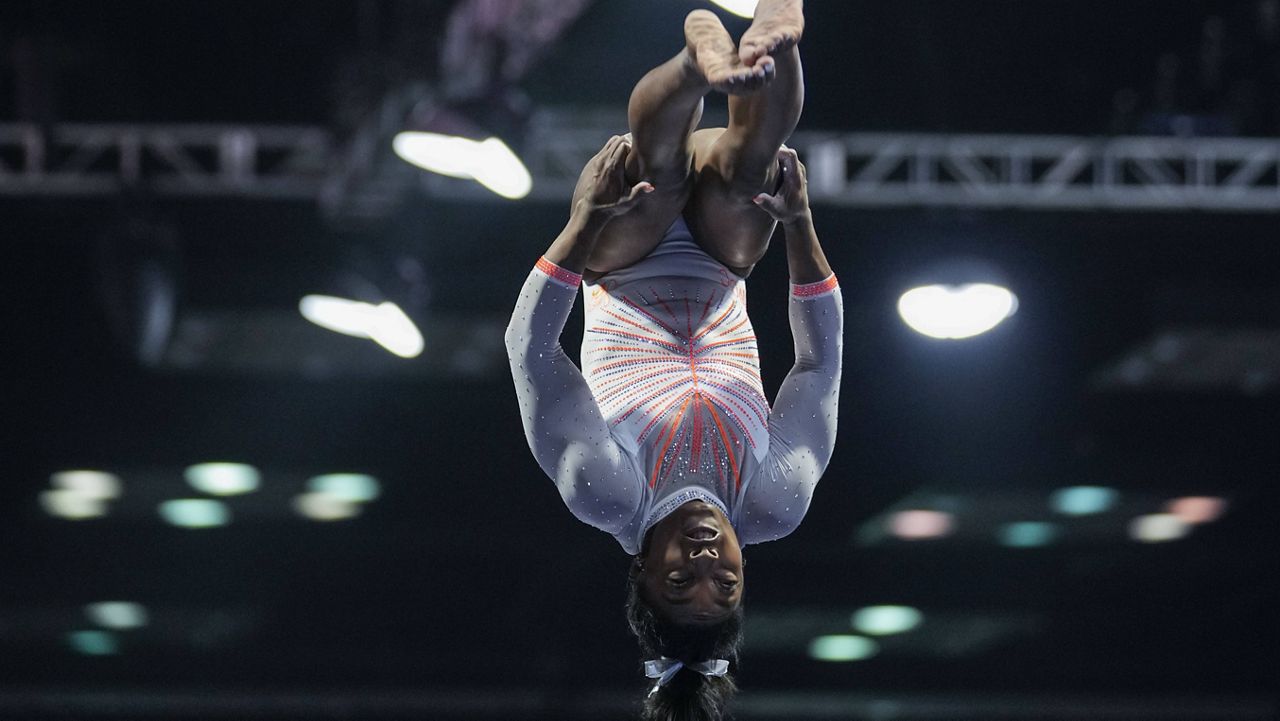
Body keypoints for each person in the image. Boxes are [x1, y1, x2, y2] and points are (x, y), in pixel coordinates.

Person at [505, 2, 840, 719]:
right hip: (723, 263)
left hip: (618, 265)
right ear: (745, 575)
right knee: (754, 167)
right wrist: (801, 226)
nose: (705, 566)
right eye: (725, 587)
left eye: (679, 585)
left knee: (650, 172)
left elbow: (530, 349)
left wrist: (584, 219)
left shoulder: (607, 490)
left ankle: (699, 65)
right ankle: (766, 45)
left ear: (643, 574)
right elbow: (817, 368)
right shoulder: (771, 499)